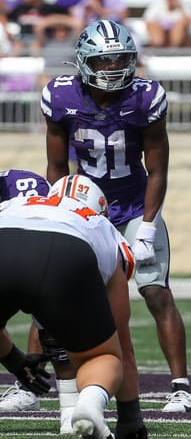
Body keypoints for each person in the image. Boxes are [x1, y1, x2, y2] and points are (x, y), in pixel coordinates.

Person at [42, 19, 191, 414]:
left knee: (156, 292)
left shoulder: (146, 99)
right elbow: (56, 166)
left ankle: (181, 386)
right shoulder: (60, 98)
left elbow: (158, 169)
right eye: (104, 61)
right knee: (52, 290)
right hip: (84, 207)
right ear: (84, 61)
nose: (113, 68)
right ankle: (36, 384)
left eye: (120, 60)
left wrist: (146, 226)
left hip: (132, 205)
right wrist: (59, 212)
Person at [0, 175, 139, 438]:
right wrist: (130, 419)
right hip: (66, 250)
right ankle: (88, 405)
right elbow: (122, 343)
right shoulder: (101, 225)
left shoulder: (14, 204)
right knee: (102, 355)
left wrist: (15, 361)